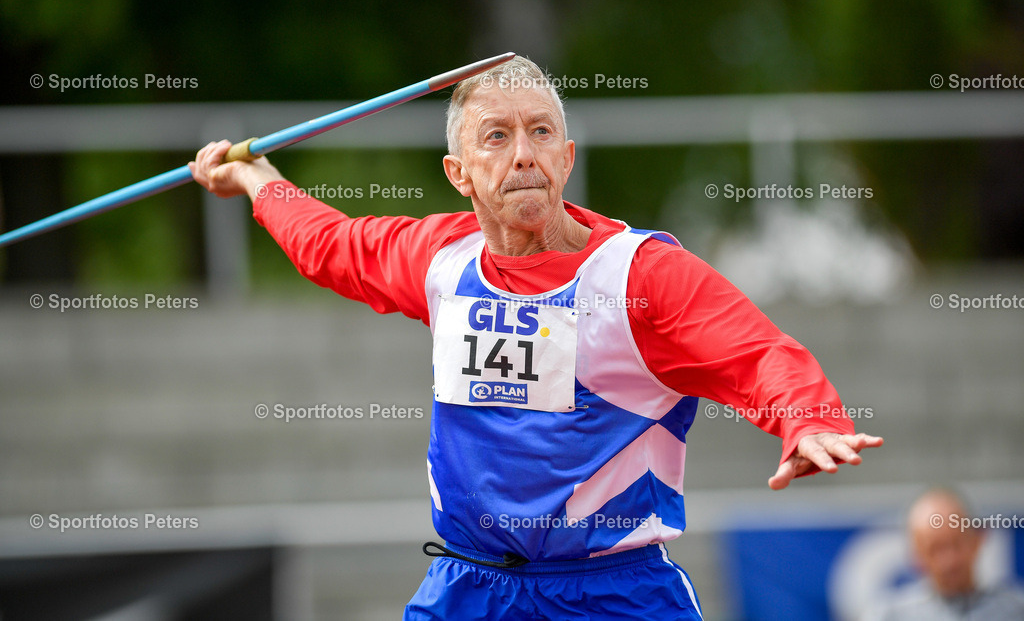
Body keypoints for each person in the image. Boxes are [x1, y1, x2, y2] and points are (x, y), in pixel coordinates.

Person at [189, 57, 883, 620]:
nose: (524, 154)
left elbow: (756, 351)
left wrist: (807, 417)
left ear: (568, 155)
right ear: (458, 173)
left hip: (612, 594)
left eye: (542, 132)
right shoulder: (441, 258)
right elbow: (329, 244)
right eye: (497, 136)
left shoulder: (641, 275)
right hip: (469, 588)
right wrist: (254, 175)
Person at [866, 488, 1024, 621]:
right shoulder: (889, 616)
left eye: (957, 543)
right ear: (916, 554)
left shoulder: (1016, 611)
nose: (950, 560)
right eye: (935, 549)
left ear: (978, 540)